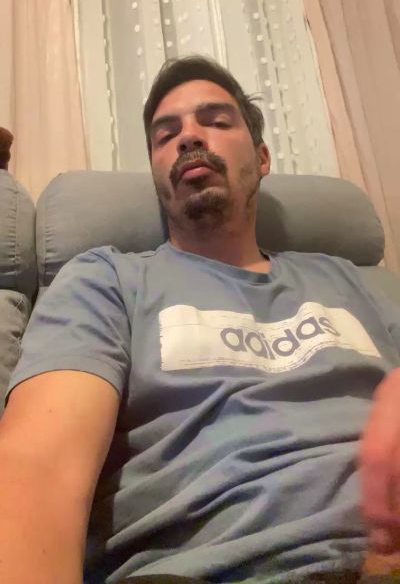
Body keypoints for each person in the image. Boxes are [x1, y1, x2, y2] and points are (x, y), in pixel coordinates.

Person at [1, 56, 400, 584]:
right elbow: (39, 469)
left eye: (215, 121)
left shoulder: (348, 278)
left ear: (262, 157)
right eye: (166, 135)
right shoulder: (107, 281)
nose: (189, 136)